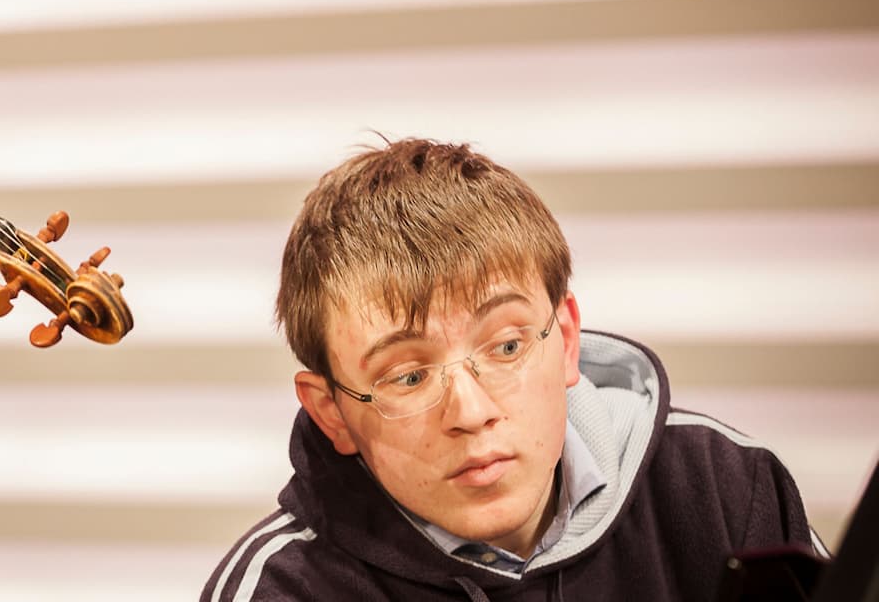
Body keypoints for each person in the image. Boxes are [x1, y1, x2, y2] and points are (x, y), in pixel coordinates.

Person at [201, 138, 827, 601]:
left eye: (505, 347)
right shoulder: (281, 590)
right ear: (331, 411)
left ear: (568, 339)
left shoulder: (727, 489)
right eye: (408, 376)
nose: (472, 413)